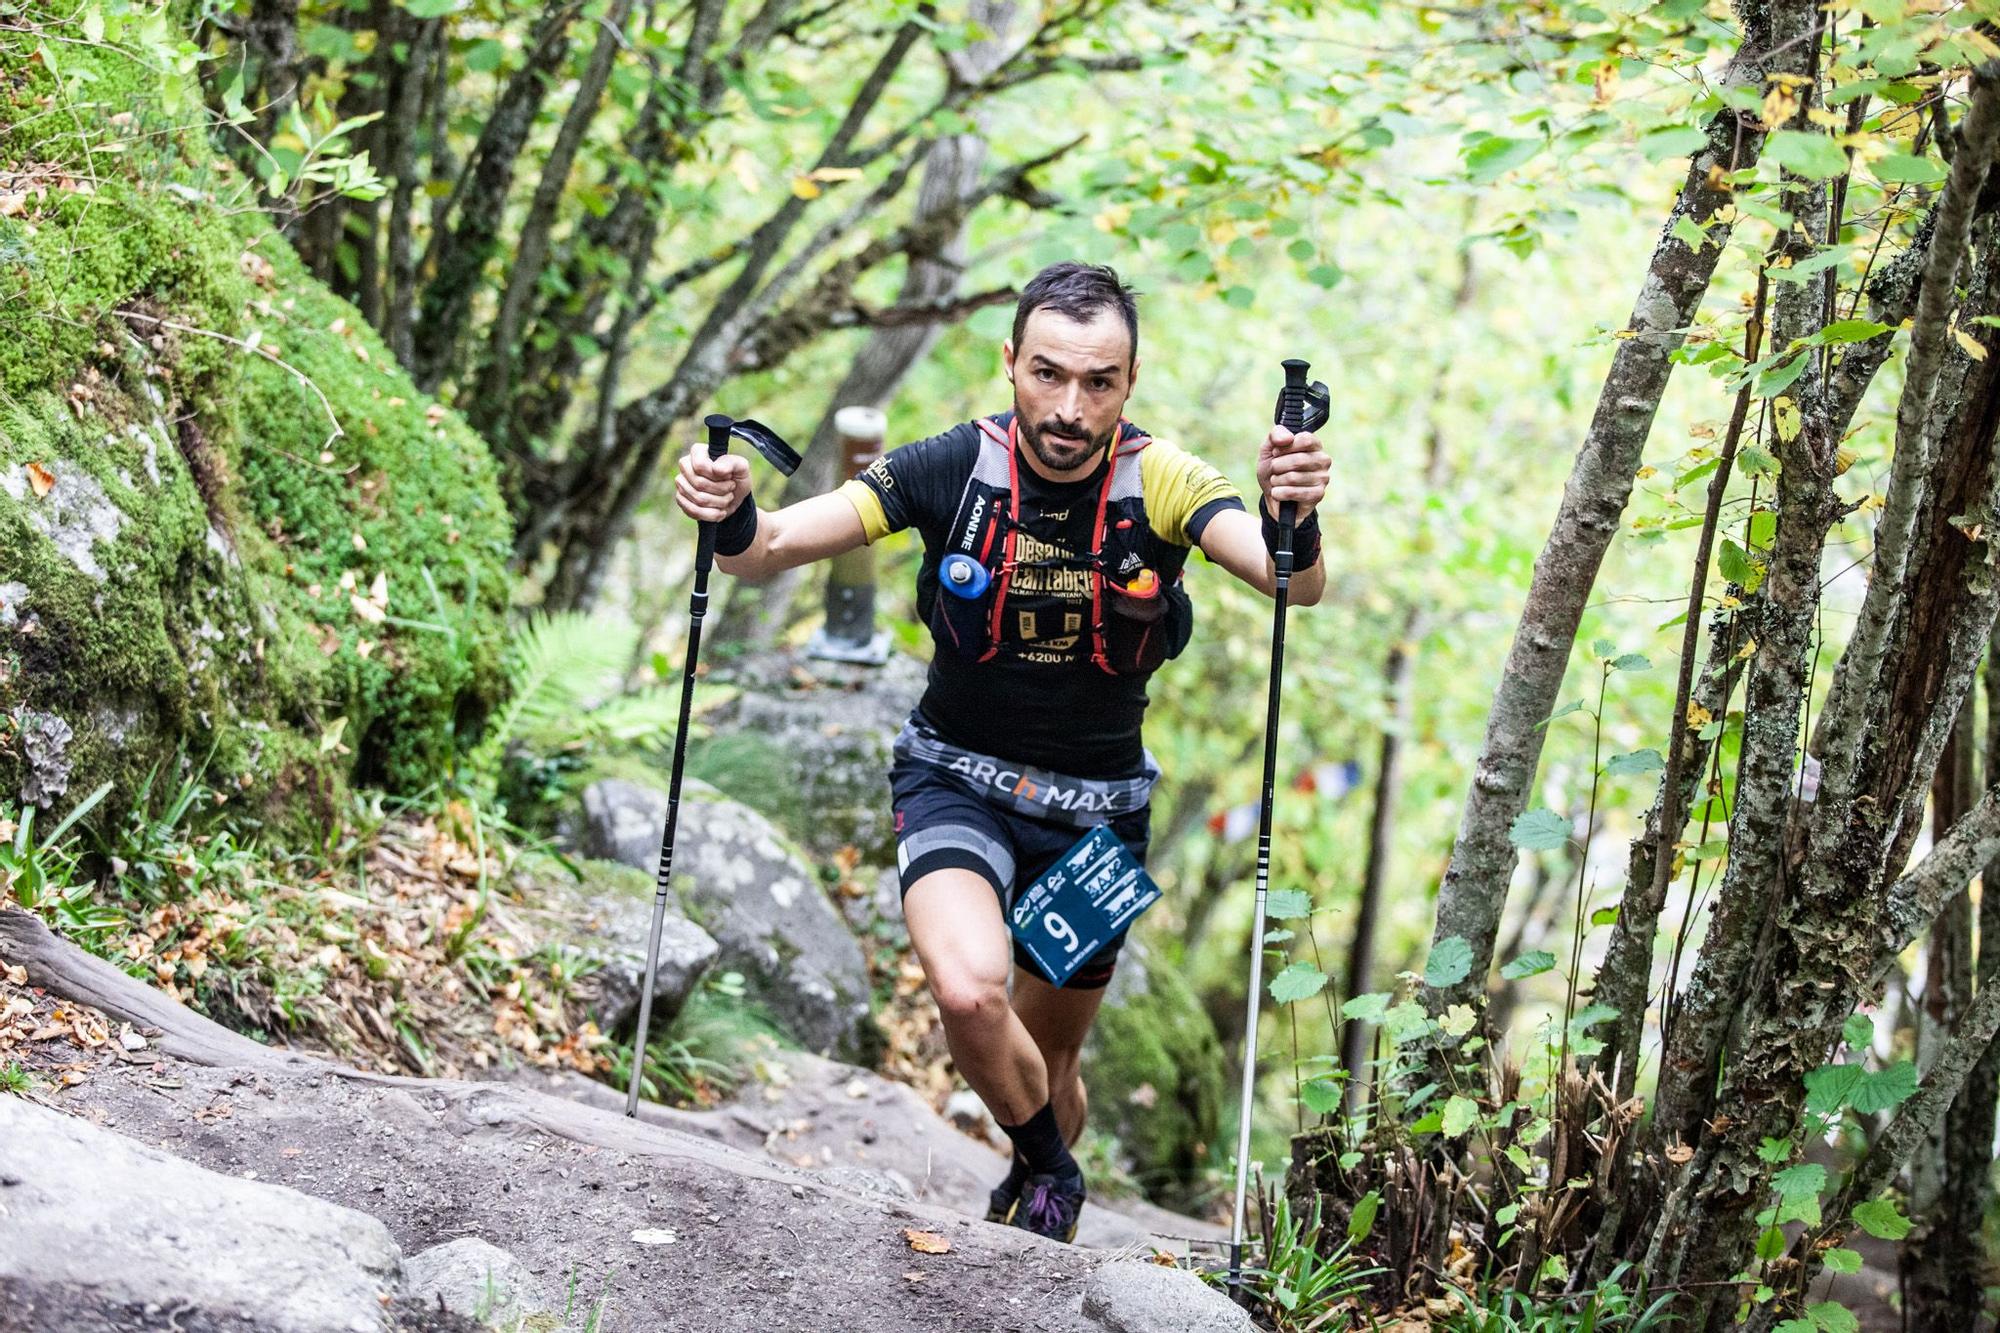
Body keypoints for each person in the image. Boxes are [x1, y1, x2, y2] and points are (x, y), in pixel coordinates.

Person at [674, 262, 1330, 1242]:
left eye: (1097, 381)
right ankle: (1055, 1173)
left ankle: (1034, 1222)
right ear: (1010, 363)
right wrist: (727, 505)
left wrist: (1294, 510)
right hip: (956, 782)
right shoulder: (950, 467)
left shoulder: (1164, 482)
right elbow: (761, 549)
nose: (1069, 406)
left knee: (1050, 1069)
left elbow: (1292, 584)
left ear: (1129, 382)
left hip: (1098, 815)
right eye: (1048, 374)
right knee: (969, 989)